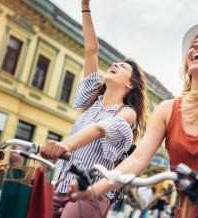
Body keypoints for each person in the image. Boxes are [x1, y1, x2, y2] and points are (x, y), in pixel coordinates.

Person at [70, 23, 198, 217]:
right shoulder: (167, 110)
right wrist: (96, 189)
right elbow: (138, 159)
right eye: (194, 45)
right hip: (189, 210)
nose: (197, 46)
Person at [40, 0, 147, 217]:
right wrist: (85, 6)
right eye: (115, 63)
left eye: (123, 67)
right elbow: (91, 51)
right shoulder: (92, 101)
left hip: (91, 192)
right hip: (61, 184)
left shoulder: (126, 113)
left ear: (130, 84)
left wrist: (64, 145)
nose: (115, 65)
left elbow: (99, 129)